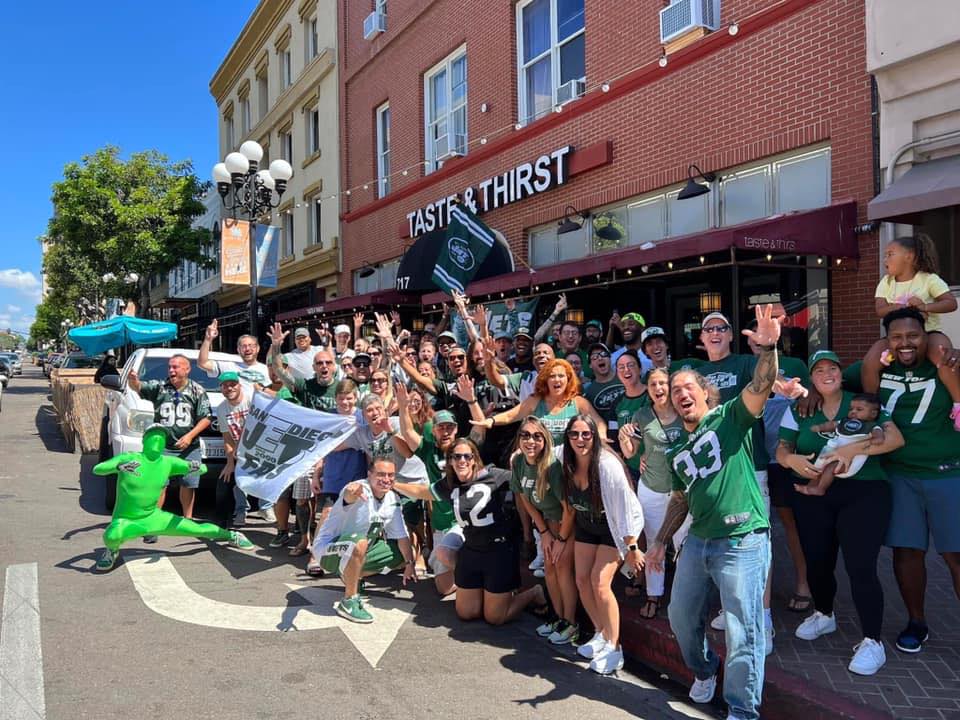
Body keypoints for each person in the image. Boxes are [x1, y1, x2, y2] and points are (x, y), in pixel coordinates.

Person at [648, 304, 780, 720]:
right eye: (674, 391)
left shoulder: (731, 418)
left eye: (688, 387)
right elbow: (680, 499)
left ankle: (742, 711)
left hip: (743, 541)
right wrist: (659, 541)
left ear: (706, 393)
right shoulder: (676, 449)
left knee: (744, 631)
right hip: (699, 541)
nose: (681, 394)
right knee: (681, 617)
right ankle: (704, 669)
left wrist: (770, 347)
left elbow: (762, 384)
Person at [777, 349, 904, 675]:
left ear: (840, 372)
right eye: (819, 370)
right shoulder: (801, 408)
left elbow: (894, 438)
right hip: (812, 493)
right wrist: (791, 461)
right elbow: (782, 448)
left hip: (864, 491)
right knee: (817, 560)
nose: (826, 374)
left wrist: (854, 447)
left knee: (861, 566)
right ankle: (823, 614)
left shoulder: (863, 401)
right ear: (812, 378)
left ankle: (872, 641)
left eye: (832, 368)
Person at [868, 307, 960, 654]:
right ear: (888, 341)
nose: (905, 343)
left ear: (926, 336)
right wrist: (815, 392)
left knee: (956, 554)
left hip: (948, 473)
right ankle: (916, 621)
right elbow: (831, 379)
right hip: (900, 475)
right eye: (897, 337)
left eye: (913, 336)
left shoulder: (944, 363)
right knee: (907, 552)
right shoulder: (881, 366)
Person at [393, 438, 547, 625]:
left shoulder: (494, 475)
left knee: (495, 618)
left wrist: (529, 460)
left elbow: (524, 482)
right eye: (456, 456)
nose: (462, 461)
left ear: (475, 459)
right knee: (467, 613)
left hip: (498, 551)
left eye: (467, 456)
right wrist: (392, 484)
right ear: (450, 461)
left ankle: (533, 593)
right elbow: (421, 491)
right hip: (471, 550)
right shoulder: (450, 484)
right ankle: (485, 590)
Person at [93, 424, 253, 571]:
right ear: (144, 440)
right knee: (112, 536)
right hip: (126, 519)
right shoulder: (129, 458)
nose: (157, 439)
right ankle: (112, 551)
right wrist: (119, 466)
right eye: (153, 435)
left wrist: (196, 467)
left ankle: (231, 536)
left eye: (161, 437)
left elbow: (199, 468)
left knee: (197, 528)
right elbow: (98, 469)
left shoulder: (167, 462)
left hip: (154, 517)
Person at [562, 414, 645, 675]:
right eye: (574, 434)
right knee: (582, 580)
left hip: (615, 527)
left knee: (600, 583)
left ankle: (614, 647)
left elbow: (623, 508)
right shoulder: (565, 460)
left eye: (586, 434)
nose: (580, 439)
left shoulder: (607, 465)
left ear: (594, 437)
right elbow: (538, 449)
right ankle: (600, 632)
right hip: (587, 524)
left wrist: (632, 547)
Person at [865, 234, 960, 427]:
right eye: (885, 255)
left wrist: (924, 307)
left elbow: (950, 303)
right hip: (894, 336)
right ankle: (871, 406)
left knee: (945, 358)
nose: (885, 259)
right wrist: (904, 307)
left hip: (929, 332)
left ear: (909, 256)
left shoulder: (928, 279)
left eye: (890, 254)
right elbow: (880, 310)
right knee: (870, 361)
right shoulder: (886, 282)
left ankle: (958, 404)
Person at [618, 367, 689, 619]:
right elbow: (630, 452)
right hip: (651, 488)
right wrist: (624, 437)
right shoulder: (642, 414)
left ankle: (683, 599)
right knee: (653, 541)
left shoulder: (685, 410)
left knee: (683, 545)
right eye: (652, 385)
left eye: (662, 383)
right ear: (647, 390)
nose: (658, 389)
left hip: (682, 490)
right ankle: (653, 595)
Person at [313, 457, 417, 623]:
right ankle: (349, 601)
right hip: (328, 549)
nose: (386, 479)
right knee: (359, 542)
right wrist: (351, 493)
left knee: (402, 554)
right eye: (381, 474)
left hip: (358, 549)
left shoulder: (392, 498)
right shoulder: (358, 489)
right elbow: (349, 496)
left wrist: (410, 564)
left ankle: (354, 577)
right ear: (369, 474)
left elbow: (401, 536)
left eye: (391, 475)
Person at [511, 417, 578, 645]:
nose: (531, 441)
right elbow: (524, 499)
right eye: (525, 435)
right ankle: (557, 618)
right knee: (549, 570)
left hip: (566, 523)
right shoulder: (519, 462)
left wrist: (560, 538)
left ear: (545, 440)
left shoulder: (552, 467)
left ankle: (571, 623)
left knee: (562, 569)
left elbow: (569, 510)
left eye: (537, 436)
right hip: (547, 523)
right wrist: (543, 532)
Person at [392, 385, 463, 596]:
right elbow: (407, 432)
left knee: (444, 555)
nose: (446, 431)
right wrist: (403, 407)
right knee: (444, 588)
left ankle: (477, 573)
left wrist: (471, 401)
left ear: (456, 429)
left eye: (450, 427)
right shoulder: (428, 449)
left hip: (461, 524)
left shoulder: (465, 451)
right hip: (440, 526)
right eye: (441, 427)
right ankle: (468, 576)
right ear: (434, 430)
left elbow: (479, 433)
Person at [127, 355, 212, 522]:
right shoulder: (159, 387)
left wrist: (190, 436)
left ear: (187, 370)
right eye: (170, 367)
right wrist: (133, 380)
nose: (171, 370)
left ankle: (187, 520)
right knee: (159, 484)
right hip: (163, 446)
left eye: (176, 367)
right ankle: (153, 520)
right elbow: (138, 387)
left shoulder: (197, 390)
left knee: (188, 483)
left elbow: (206, 417)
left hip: (189, 447)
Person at [472, 359, 606, 444]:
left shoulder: (578, 402)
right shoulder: (534, 401)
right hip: (541, 463)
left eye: (561, 376)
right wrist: (491, 421)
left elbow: (599, 422)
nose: (557, 380)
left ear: (568, 380)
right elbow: (510, 416)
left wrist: (601, 437)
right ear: (545, 380)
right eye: (552, 376)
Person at [804, 393, 886, 495]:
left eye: (859, 409)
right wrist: (820, 427)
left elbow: (879, 439)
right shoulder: (845, 422)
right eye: (851, 409)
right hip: (833, 450)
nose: (853, 412)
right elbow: (833, 424)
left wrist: (868, 442)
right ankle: (811, 486)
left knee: (830, 468)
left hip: (851, 460)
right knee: (819, 466)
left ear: (873, 414)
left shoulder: (872, 426)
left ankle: (821, 488)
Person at [214, 371, 258, 529]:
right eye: (225, 386)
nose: (229, 388)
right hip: (240, 453)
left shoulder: (252, 401)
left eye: (232, 384)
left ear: (239, 385)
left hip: (260, 451)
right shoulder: (221, 409)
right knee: (224, 480)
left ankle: (267, 508)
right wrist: (230, 462)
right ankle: (223, 523)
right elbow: (227, 438)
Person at [198, 319, 270, 389]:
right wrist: (208, 339)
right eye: (243, 346)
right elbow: (203, 363)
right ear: (238, 350)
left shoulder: (267, 370)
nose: (247, 349)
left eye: (251, 345)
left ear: (258, 348)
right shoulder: (228, 367)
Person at [582, 343, 625, 440]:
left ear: (610, 359)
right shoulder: (588, 391)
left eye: (604, 354)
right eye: (594, 357)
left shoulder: (625, 377)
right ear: (590, 365)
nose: (600, 358)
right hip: (609, 438)